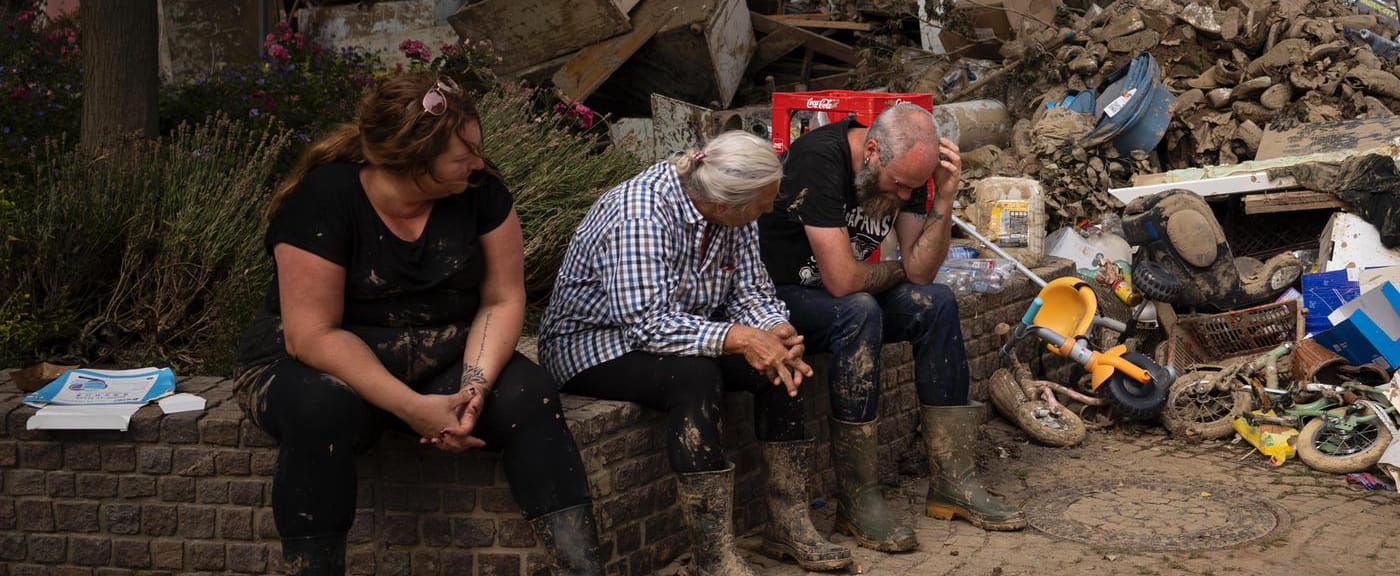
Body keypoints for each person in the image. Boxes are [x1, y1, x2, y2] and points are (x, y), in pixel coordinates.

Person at [233, 73, 601, 576]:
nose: (478, 162)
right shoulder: (323, 200)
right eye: (462, 154)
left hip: (441, 355)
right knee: (322, 410)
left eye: (477, 148)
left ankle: (582, 568)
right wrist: (413, 409)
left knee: (529, 394)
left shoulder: (482, 190)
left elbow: (501, 297)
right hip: (321, 363)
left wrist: (474, 386)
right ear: (411, 163)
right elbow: (311, 334)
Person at [540, 133, 850, 575]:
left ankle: (787, 523)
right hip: (594, 343)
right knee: (695, 377)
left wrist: (773, 329)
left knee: (780, 366)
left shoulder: (732, 215)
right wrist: (741, 338)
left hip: (679, 331)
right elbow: (647, 323)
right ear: (726, 203)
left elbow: (751, 291)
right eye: (761, 205)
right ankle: (713, 555)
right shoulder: (640, 213)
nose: (767, 212)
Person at [758, 102, 1025, 554]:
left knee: (936, 303)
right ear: (873, 150)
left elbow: (921, 271)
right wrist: (894, 272)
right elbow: (843, 281)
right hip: (781, 295)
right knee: (859, 309)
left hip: (850, 291)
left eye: (912, 188)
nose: (903, 195)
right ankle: (858, 499)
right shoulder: (819, 158)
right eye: (899, 185)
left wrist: (943, 196)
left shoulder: (912, 172)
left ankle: (952, 481)